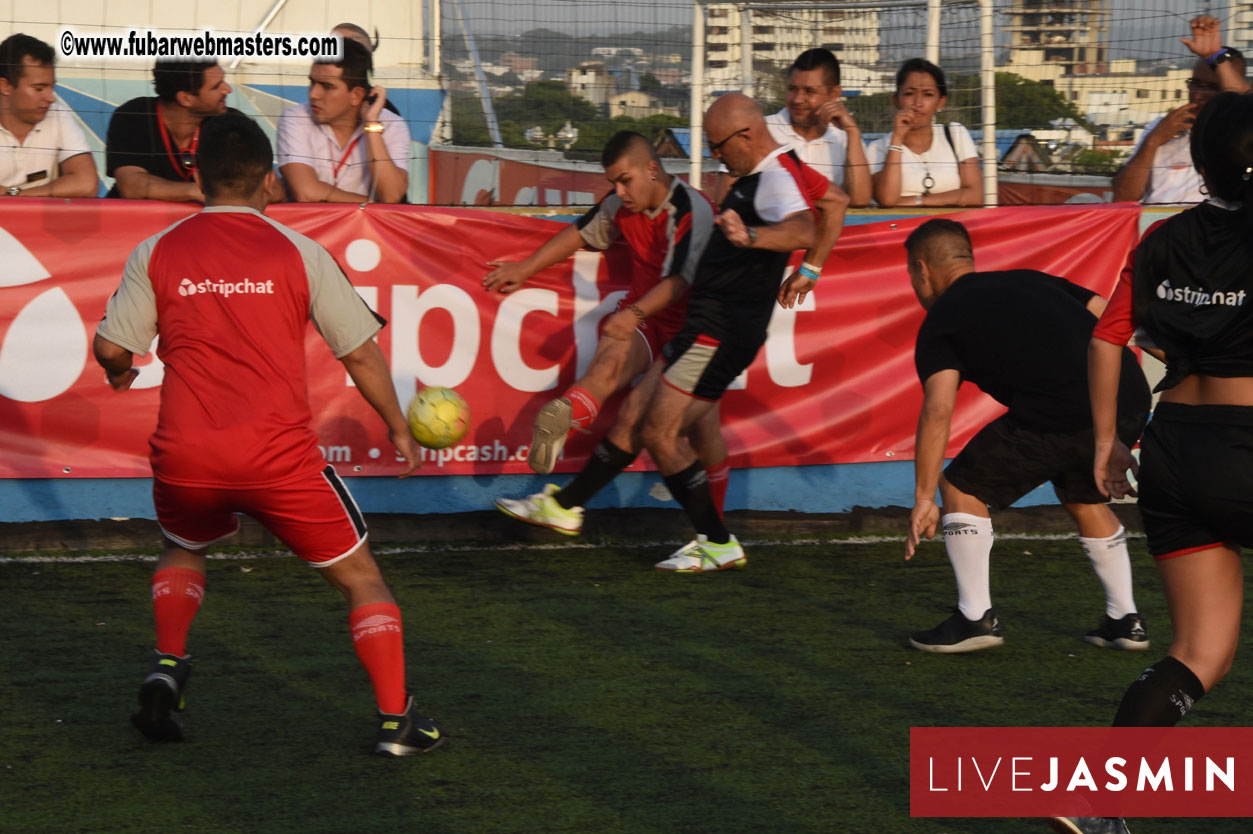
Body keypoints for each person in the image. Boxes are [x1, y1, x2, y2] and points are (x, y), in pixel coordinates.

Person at [92, 114, 444, 756]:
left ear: (197, 178)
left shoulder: (159, 250)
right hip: (279, 462)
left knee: (182, 545)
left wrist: (121, 372)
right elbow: (360, 354)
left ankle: (167, 667)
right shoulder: (301, 252)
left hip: (189, 455)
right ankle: (399, 724)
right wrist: (398, 425)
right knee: (363, 580)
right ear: (269, 179)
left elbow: (112, 347)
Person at [554, 93, 846, 573]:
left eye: (716, 145)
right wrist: (811, 273)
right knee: (648, 419)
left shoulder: (773, 177)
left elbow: (801, 228)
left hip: (718, 328)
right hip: (710, 326)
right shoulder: (781, 168)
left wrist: (752, 237)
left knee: (660, 430)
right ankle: (570, 506)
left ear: (745, 136)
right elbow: (835, 201)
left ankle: (716, 541)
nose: (714, 156)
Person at [904, 218, 1151, 654]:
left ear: (923, 269)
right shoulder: (1028, 279)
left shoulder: (941, 321)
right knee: (1083, 496)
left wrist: (925, 497)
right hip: (1128, 394)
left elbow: (938, 410)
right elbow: (1104, 308)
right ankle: (1124, 620)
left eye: (912, 275)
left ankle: (975, 617)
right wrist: (1167, 349)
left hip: (1063, 409)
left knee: (960, 486)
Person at [486, 130, 726, 531]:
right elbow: (580, 232)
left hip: (697, 330)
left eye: (624, 180)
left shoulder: (692, 210)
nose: (618, 190)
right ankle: (568, 419)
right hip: (650, 316)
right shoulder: (620, 204)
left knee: (698, 430)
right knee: (610, 359)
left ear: (653, 169)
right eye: (612, 182)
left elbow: (681, 282)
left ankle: (715, 531)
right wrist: (524, 269)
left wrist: (632, 312)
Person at [1112, 14, 1249, 205]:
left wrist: (1214, 56)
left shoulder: (1239, 134)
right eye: (1195, 84)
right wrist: (1153, 141)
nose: (1198, 94)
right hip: (1164, 230)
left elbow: (1243, 99)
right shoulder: (1160, 129)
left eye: (1211, 86)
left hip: (1214, 230)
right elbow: (1122, 197)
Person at [106, 59, 282, 203]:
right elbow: (131, 187)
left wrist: (209, 194)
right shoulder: (134, 115)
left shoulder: (232, 124)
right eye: (216, 86)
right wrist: (198, 192)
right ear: (186, 98)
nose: (227, 89)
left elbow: (274, 189)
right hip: (133, 232)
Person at [712, 48, 870, 207]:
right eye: (792, 89)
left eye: (809, 91)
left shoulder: (848, 140)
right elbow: (724, 197)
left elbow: (860, 200)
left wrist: (852, 132)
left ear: (834, 93)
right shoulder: (758, 130)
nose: (797, 100)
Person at [277, 38, 410, 203]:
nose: (313, 94)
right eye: (312, 82)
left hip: (365, 229)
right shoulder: (295, 117)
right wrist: (371, 206)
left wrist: (371, 125)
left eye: (327, 86)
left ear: (356, 95)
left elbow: (391, 196)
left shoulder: (391, 124)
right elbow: (306, 193)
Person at [866, 58, 982, 208]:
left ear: (940, 102)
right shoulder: (878, 148)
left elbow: (975, 195)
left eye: (928, 94)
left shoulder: (955, 134)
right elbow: (888, 199)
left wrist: (917, 201)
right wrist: (897, 139)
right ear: (896, 100)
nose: (918, 103)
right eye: (909, 93)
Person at [0, 33, 97, 197]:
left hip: (40, 221)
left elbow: (87, 183)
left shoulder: (57, 115)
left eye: (52, 87)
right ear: (5, 86)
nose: (51, 98)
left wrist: (14, 195)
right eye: (39, 88)